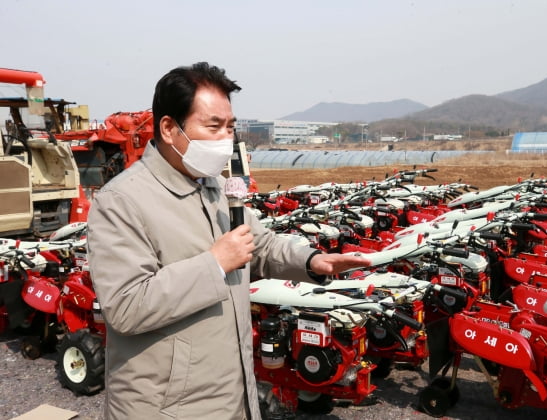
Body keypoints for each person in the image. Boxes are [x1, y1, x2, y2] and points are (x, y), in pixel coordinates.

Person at [86, 62, 370, 420]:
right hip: (168, 408)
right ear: (170, 129)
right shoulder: (122, 202)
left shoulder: (215, 188)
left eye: (231, 127)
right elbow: (125, 307)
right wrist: (214, 263)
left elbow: (260, 245)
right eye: (214, 127)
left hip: (232, 396)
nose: (226, 139)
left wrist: (313, 261)